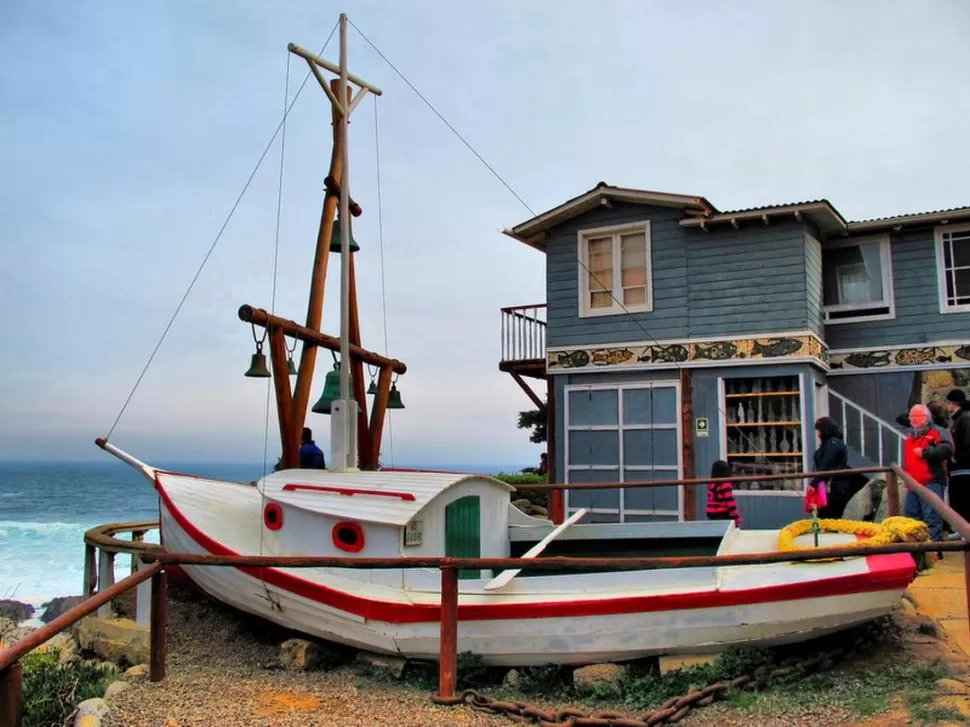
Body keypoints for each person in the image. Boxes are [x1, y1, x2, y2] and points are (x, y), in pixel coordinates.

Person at [903, 404, 953, 545]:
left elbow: (948, 450)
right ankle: (918, 551)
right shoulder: (909, 434)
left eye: (918, 416)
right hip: (912, 483)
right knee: (911, 516)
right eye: (912, 416)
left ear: (927, 417)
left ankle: (932, 550)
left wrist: (926, 452)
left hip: (931, 481)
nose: (914, 419)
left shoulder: (937, 431)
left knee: (931, 516)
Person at [810, 416, 859, 519]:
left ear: (825, 430)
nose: (818, 433)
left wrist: (813, 483)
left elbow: (826, 463)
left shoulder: (834, 443)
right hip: (826, 487)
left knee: (831, 517)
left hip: (834, 487)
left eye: (819, 430)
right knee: (822, 515)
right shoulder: (826, 444)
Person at [945, 389, 970, 523]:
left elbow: (968, 443)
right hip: (956, 468)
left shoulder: (964, 419)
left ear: (953, 404)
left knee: (963, 498)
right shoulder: (956, 419)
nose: (946, 406)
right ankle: (961, 529)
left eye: (948, 402)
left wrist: (957, 458)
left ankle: (965, 529)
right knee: (956, 499)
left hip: (964, 468)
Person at [706, 460, 742, 526]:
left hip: (711, 512)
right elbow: (730, 503)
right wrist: (737, 519)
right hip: (721, 512)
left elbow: (710, 499)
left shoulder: (711, 484)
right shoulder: (725, 484)